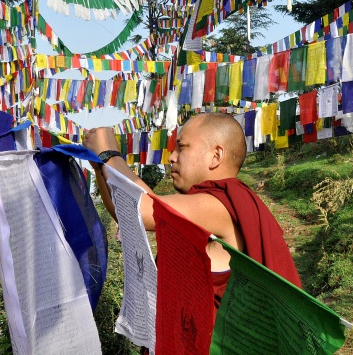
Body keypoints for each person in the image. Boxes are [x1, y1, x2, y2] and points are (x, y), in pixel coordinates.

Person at [83, 112, 301, 315]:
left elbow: (143, 209)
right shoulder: (208, 204)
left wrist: (109, 154)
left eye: (182, 147)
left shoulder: (221, 202)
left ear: (216, 156)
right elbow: (126, 213)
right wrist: (100, 168)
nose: (172, 157)